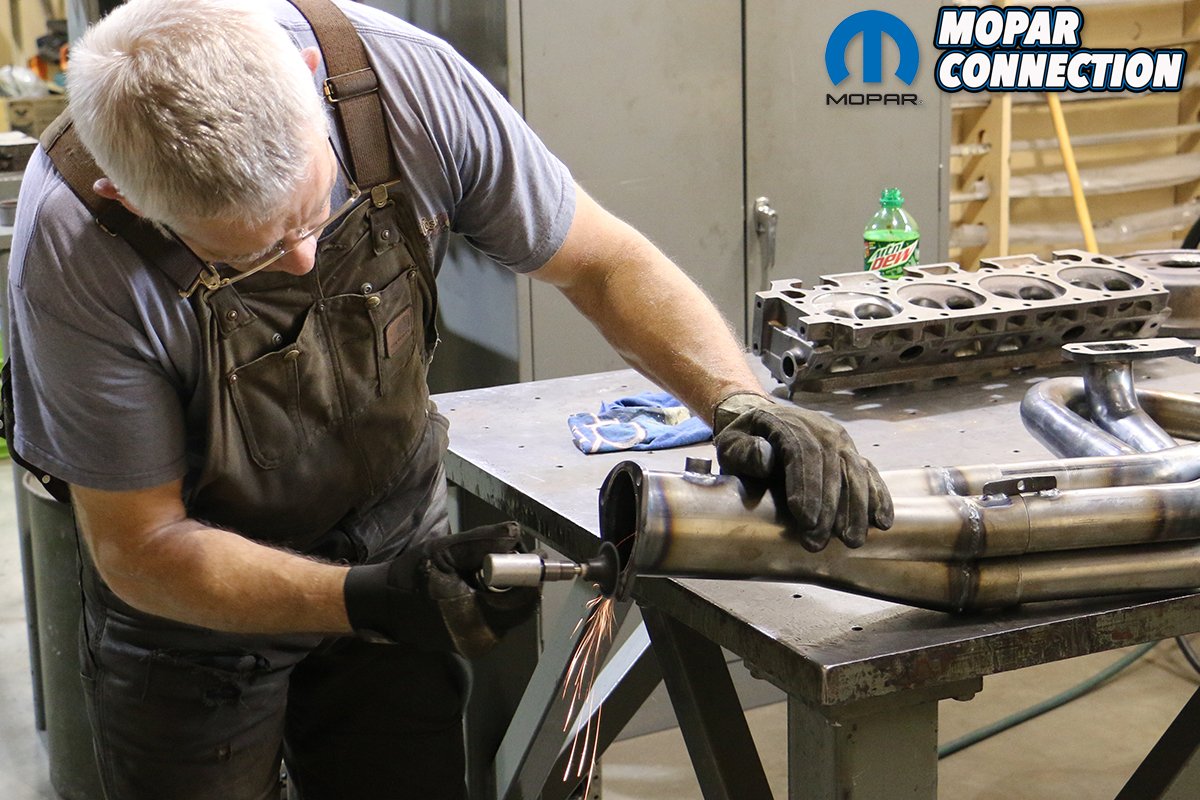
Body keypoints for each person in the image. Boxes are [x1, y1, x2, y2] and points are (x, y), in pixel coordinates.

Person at [4, 0, 894, 797]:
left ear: (312, 83)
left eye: (314, 212)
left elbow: (602, 263)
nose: (304, 260)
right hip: (195, 610)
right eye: (252, 254)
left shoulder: (403, 84)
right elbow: (142, 547)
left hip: (392, 529)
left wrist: (736, 399)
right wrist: (362, 598)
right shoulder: (74, 244)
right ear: (131, 202)